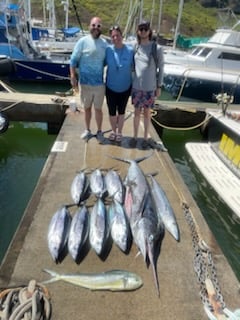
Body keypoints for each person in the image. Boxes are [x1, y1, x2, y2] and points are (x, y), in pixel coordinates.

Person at [69, 17, 108, 141]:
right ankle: (87, 130)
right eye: (93, 25)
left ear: (101, 28)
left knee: (98, 109)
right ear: (89, 26)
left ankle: (100, 131)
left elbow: (107, 62)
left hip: (99, 84)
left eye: (98, 26)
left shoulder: (105, 44)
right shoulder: (82, 41)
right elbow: (73, 60)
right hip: (84, 83)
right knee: (86, 108)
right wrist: (73, 76)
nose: (96, 28)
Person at [131, 20, 164, 149]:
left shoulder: (157, 48)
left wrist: (159, 86)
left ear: (149, 31)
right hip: (137, 87)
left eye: (145, 29)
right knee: (136, 112)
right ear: (138, 32)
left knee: (147, 113)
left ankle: (145, 137)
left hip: (150, 88)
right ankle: (134, 136)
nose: (143, 31)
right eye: (141, 29)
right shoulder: (135, 46)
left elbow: (161, 68)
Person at [105, 25, 134, 142]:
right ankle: (113, 131)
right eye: (113, 36)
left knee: (121, 111)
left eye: (118, 35)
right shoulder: (108, 50)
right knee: (112, 112)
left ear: (122, 36)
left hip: (125, 87)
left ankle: (120, 132)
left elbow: (138, 67)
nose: (115, 38)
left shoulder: (131, 51)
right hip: (110, 87)